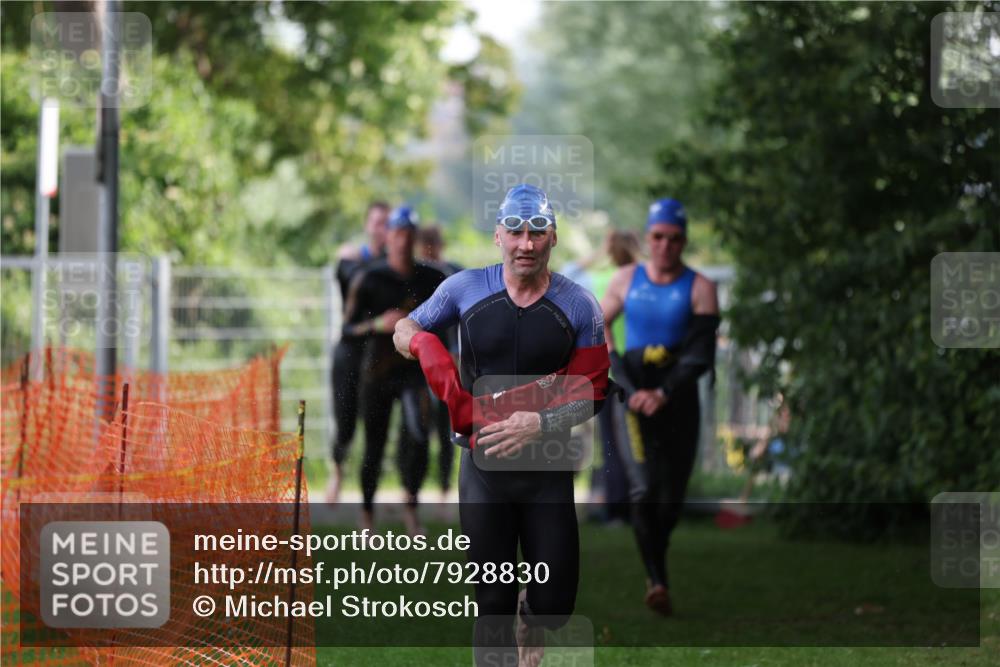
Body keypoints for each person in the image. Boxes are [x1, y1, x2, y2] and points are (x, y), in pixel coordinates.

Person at [394, 184, 610, 667]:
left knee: (555, 606)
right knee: (491, 603)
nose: (526, 244)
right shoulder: (464, 289)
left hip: (547, 469)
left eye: (537, 233)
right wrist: (425, 348)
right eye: (515, 232)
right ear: (498, 236)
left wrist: (540, 422)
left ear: (553, 238)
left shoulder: (580, 306)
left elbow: (594, 391)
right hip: (483, 469)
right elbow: (405, 328)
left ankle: (531, 616)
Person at [600, 197, 720, 615]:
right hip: (632, 397)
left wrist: (664, 392)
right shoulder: (624, 280)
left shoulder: (701, 288)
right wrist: (626, 383)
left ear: (683, 241)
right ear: (647, 238)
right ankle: (657, 580)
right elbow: (598, 328)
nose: (665, 245)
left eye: (673, 238)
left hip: (677, 399)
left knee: (670, 500)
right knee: (644, 487)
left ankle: (656, 557)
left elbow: (700, 355)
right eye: (658, 237)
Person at [342, 206, 446, 534]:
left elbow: (448, 321)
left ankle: (411, 510)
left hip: (414, 371)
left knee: (418, 436)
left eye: (408, 235)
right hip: (377, 371)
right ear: (387, 236)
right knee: (374, 441)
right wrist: (377, 323)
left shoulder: (431, 279)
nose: (402, 241)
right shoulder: (369, 278)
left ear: (414, 238)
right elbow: (347, 330)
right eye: (397, 233)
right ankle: (367, 516)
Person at [326, 201, 389, 503]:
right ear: (367, 225)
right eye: (378, 223)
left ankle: (371, 498)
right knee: (345, 423)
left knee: (376, 428)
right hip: (350, 350)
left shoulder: (398, 266)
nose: (383, 229)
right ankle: (337, 471)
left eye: (388, 224)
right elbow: (350, 275)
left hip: (381, 356)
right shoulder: (352, 259)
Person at [414, 224, 464, 502]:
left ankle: (443, 489)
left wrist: (457, 351)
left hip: (446, 359)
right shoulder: (418, 277)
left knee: (446, 425)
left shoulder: (452, 273)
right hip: (423, 361)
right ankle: (420, 491)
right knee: (420, 428)